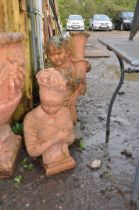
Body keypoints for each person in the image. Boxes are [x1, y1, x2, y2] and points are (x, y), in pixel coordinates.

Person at [24, 68, 76, 176]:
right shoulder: (31, 119)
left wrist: (65, 138)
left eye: (56, 105)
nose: (50, 109)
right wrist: (55, 139)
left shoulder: (65, 113)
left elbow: (71, 139)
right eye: (45, 103)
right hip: (47, 158)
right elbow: (32, 152)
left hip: (63, 154)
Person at [45, 36, 86, 123]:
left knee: (71, 119)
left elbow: (80, 75)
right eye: (52, 55)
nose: (56, 57)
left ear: (67, 52)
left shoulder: (71, 63)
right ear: (48, 55)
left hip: (70, 100)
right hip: (57, 103)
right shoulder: (50, 69)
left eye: (59, 53)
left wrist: (85, 66)